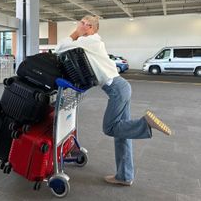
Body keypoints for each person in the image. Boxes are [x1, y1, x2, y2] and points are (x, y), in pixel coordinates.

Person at [56, 15, 172, 186]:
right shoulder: (92, 43)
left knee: (110, 127)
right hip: (121, 87)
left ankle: (144, 124)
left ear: (90, 27)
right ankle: (124, 176)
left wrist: (75, 33)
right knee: (122, 134)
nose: (79, 26)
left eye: (82, 23)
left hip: (117, 89)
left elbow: (60, 48)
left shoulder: (90, 40)